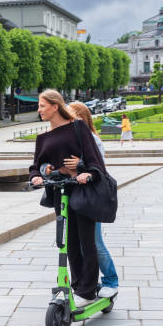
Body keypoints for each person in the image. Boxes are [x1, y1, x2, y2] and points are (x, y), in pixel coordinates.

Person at [29, 90, 106, 307]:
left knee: (86, 241)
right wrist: (38, 175)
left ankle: (88, 290)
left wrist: (83, 169)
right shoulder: (43, 138)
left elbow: (95, 161)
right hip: (60, 192)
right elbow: (36, 166)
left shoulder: (78, 128)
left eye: (42, 105)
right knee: (69, 243)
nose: (39, 109)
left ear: (55, 106)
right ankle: (77, 286)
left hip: (82, 190)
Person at [65, 101, 119, 298]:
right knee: (78, 244)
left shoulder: (93, 139)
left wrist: (80, 165)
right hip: (74, 195)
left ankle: (111, 280)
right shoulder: (70, 138)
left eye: (70, 115)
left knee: (95, 242)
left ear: (81, 117)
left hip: (90, 196)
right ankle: (87, 282)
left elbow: (99, 168)